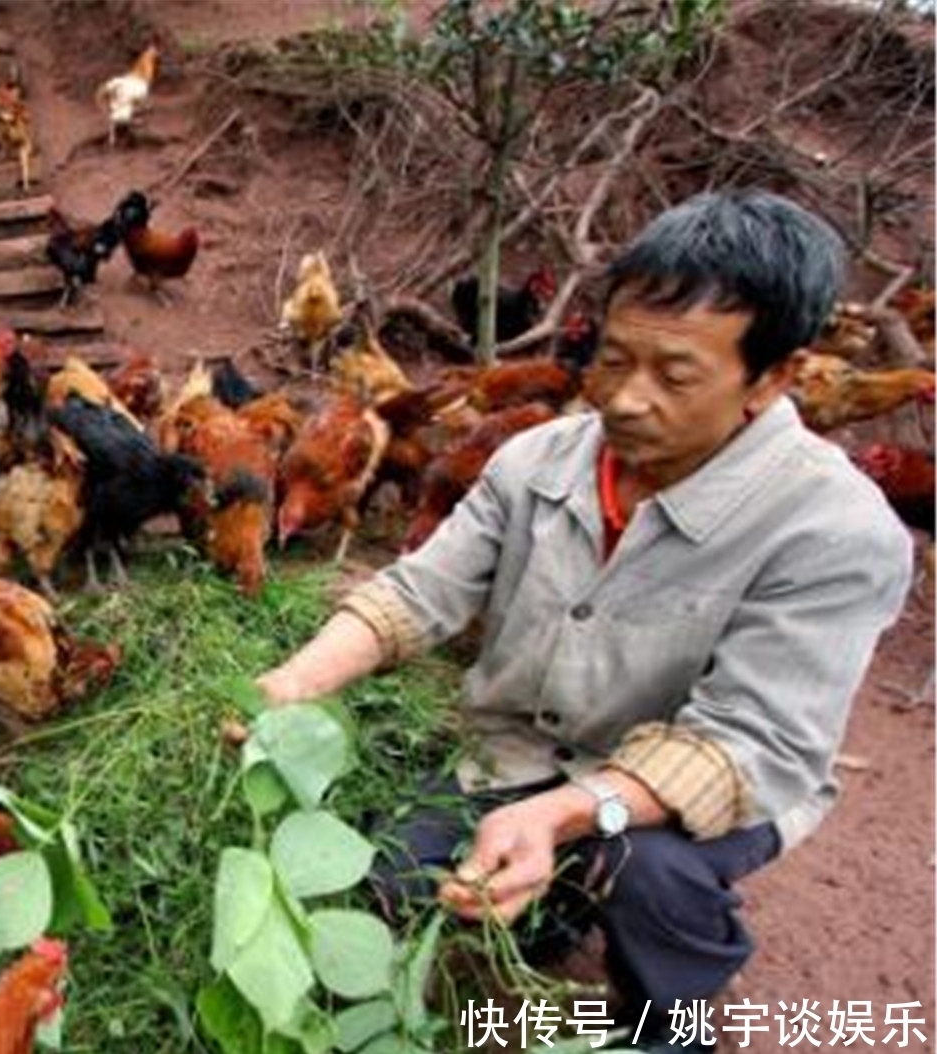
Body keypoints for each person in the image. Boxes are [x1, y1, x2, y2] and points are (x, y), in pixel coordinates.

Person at [255, 190, 914, 1054]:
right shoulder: (538, 462)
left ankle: (664, 1021)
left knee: (646, 871)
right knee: (388, 881)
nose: (629, 400)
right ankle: (547, 913)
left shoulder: (836, 531)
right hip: (518, 749)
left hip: (704, 783)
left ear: (772, 378)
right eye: (613, 360)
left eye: (675, 376)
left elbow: (743, 743)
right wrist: (291, 686)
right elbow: (417, 595)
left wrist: (563, 816)